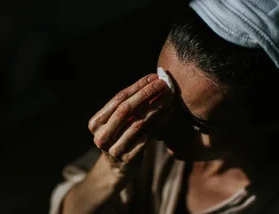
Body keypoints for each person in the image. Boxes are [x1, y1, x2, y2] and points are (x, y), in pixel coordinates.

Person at [50, 0, 279, 213]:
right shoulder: (144, 137)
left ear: (267, 121)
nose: (161, 129)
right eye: (162, 95)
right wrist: (110, 172)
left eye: (197, 123)